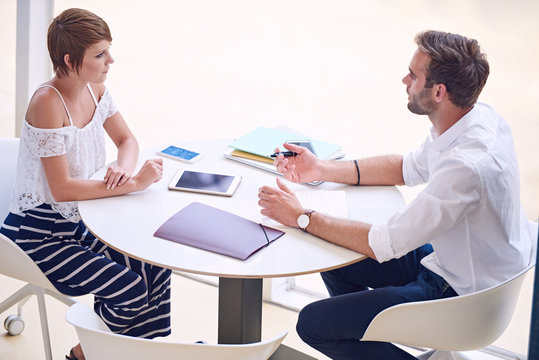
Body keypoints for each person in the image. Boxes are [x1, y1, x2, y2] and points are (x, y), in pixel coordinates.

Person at [258, 30, 535, 359]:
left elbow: (384, 243)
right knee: (332, 253)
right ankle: (369, 339)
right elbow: (407, 168)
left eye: (413, 75)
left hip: (461, 296)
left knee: (313, 324)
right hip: (458, 264)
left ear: (438, 91)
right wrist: (321, 169)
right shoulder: (476, 120)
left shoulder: (465, 168)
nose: (404, 79)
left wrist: (301, 217)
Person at [0, 8, 171, 360]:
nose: (111, 59)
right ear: (70, 59)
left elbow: (127, 141)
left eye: (108, 50)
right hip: (40, 233)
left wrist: (124, 171)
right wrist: (133, 184)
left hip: (85, 220)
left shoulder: (96, 89)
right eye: (100, 54)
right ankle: (82, 355)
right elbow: (61, 189)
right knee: (130, 288)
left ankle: (139, 352)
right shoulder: (48, 102)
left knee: (155, 262)